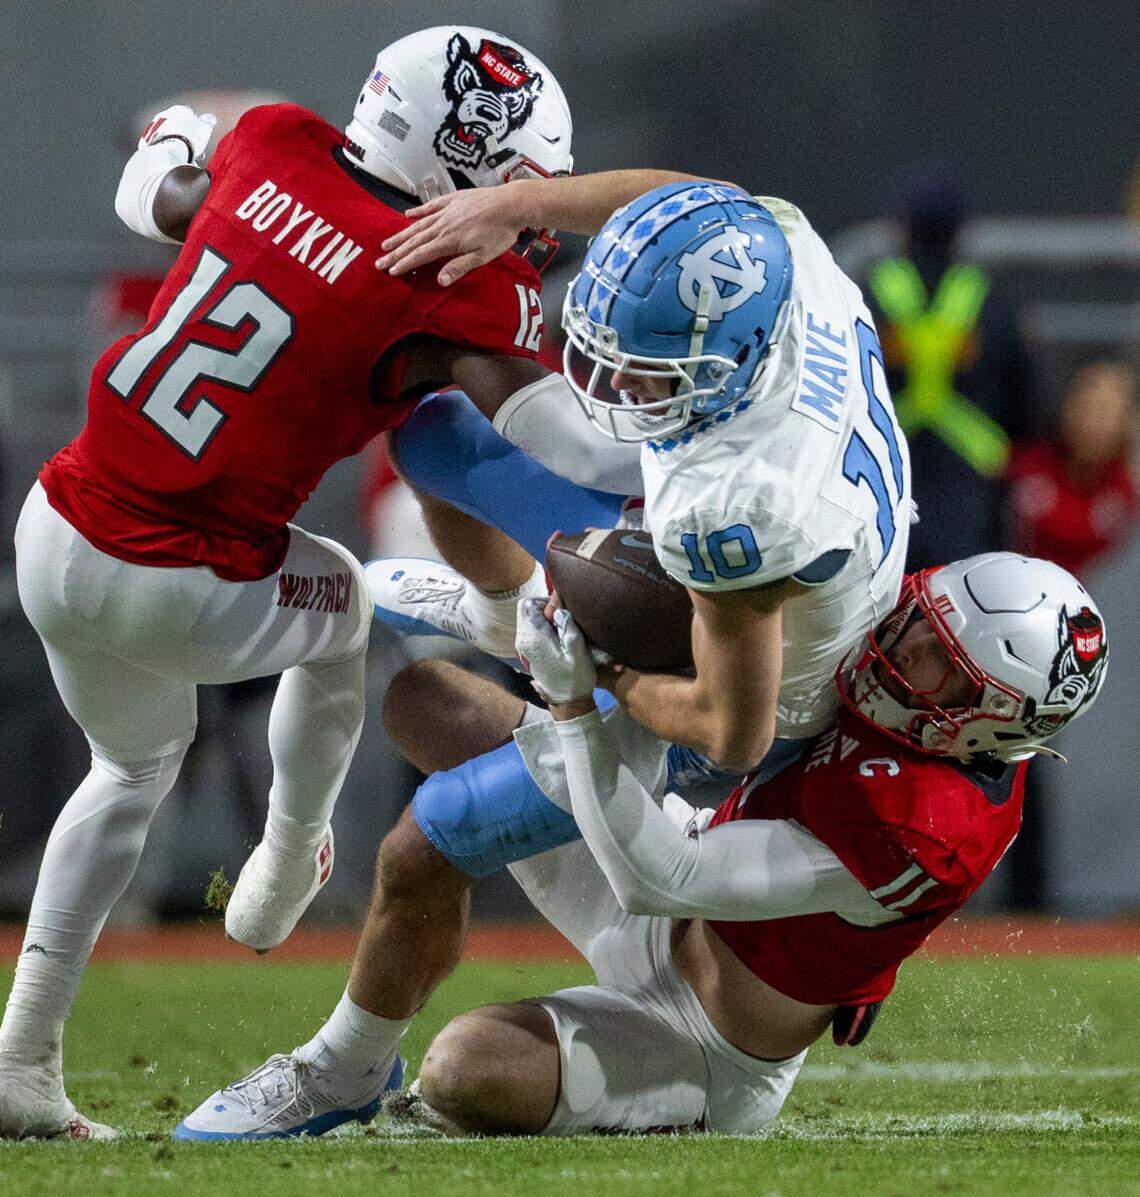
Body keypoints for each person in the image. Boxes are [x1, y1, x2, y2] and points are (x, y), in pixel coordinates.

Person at [170, 176, 912, 1139]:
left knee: (425, 839)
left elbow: (735, 730)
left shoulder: (742, 506)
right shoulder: (784, 250)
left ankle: (339, 1070)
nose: (614, 385)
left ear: (730, 361)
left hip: (749, 696)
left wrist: (588, 682)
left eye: (648, 372)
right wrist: (516, 203)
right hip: (758, 539)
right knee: (434, 436)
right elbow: (687, 195)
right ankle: (502, 608)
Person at [0, 24, 603, 1140]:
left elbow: (155, 190)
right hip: (176, 572)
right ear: (461, 157)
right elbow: (564, 402)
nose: (529, 208)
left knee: (129, 768)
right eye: (519, 182)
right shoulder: (435, 278)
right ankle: (286, 864)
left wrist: (182, 130)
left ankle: (21, 1067)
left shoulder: (276, 141)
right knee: (341, 611)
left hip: (56, 528)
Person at [176, 551, 1108, 1138]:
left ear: (989, 724)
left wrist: (578, 702)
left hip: (704, 1027)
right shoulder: (911, 669)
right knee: (427, 701)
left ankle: (365, 1065)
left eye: (933, 662)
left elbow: (664, 877)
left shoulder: (929, 828)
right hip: (693, 863)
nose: (900, 646)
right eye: (918, 622)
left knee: (462, 1073)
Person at [863, 164, 1037, 569]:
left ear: (903, 226)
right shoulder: (992, 298)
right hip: (971, 490)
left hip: (884, 475)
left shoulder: (868, 292)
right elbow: (1025, 398)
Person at [1007, 356, 1138, 576]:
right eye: (1086, 406)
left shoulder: (1122, 493)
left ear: (1125, 421)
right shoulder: (1025, 462)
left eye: (1106, 412)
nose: (1093, 421)